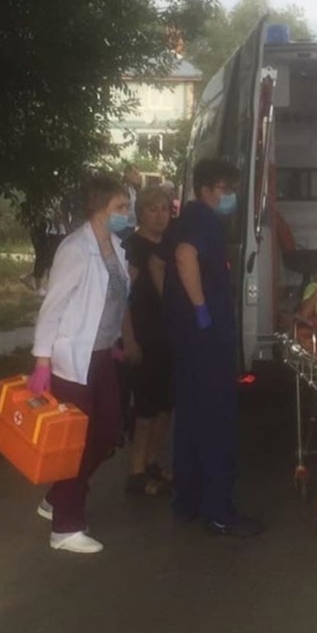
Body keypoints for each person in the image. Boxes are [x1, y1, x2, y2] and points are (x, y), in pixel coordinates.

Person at [30, 173, 131, 554]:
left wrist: (115, 341)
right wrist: (42, 360)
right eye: (120, 207)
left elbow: (114, 300)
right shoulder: (75, 248)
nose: (127, 213)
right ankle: (65, 527)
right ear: (99, 208)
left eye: (127, 206)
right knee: (75, 441)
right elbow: (53, 305)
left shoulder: (116, 248)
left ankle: (58, 496)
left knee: (107, 432)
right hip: (73, 359)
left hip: (102, 354)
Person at [165, 157, 262, 537]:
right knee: (216, 422)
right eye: (225, 189)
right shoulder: (200, 220)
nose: (231, 196)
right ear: (205, 190)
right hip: (203, 339)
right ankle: (219, 511)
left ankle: (187, 501)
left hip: (191, 340)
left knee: (190, 420)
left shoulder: (192, 217)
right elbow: (185, 255)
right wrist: (201, 307)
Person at [122, 186, 174, 496]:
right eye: (153, 209)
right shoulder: (133, 248)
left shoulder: (169, 244)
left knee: (166, 406)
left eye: (165, 209)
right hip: (143, 337)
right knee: (145, 408)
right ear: (140, 213)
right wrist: (129, 340)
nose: (159, 215)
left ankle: (153, 461)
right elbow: (122, 299)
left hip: (167, 337)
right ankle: (136, 472)